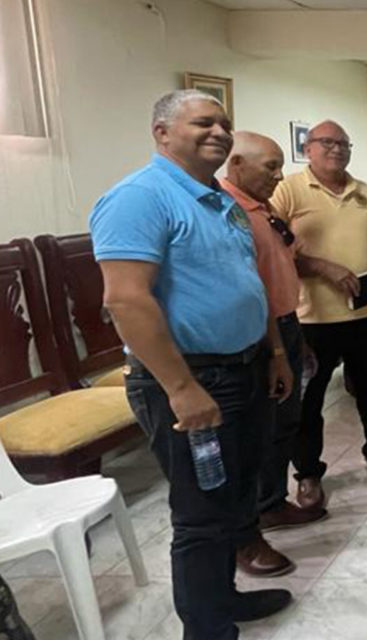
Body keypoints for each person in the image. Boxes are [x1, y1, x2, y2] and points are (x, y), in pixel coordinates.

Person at [91, 90, 291, 639]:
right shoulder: (139, 197)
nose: (219, 131)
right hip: (192, 380)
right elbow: (126, 300)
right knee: (202, 514)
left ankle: (223, 600)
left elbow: (249, 284)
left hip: (245, 368)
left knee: (236, 495)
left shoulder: (220, 198)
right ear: (161, 133)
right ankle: (206, 629)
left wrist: (272, 352)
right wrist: (180, 387)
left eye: (224, 122)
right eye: (203, 122)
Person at [272, 119, 367, 508]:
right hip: (311, 318)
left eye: (343, 144)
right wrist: (322, 267)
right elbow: (272, 253)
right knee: (308, 402)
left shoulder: (363, 191)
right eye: (327, 143)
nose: (336, 149)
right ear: (309, 148)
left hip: (366, 312)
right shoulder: (287, 191)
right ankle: (308, 475)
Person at [221, 131, 328, 578]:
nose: (279, 175)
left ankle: (270, 504)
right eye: (270, 166)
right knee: (252, 436)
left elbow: (281, 261)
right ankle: (247, 531)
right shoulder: (226, 210)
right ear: (237, 164)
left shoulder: (261, 210)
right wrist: (279, 348)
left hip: (283, 322)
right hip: (256, 334)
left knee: (281, 422)